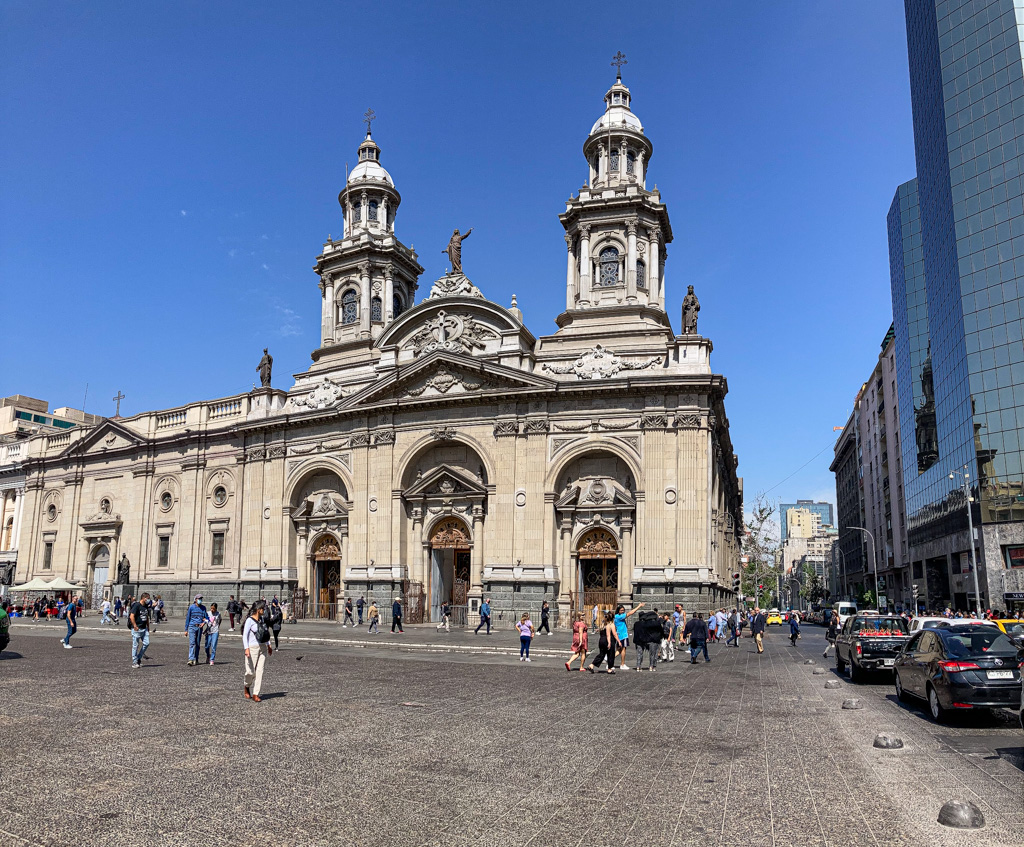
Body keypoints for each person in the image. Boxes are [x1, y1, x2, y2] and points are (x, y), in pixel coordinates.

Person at [243, 601, 272, 702]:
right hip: (252, 648)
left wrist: (269, 645)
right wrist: (246, 648)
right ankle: (246, 686)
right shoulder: (249, 621)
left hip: (262, 647)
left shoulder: (262, 619)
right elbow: (244, 635)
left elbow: (265, 632)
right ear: (258, 609)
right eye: (263, 608)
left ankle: (256, 693)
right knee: (250, 672)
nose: (264, 610)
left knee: (260, 671)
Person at [613, 602, 644, 670]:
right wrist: (639, 606)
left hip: (621, 634)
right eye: (621, 610)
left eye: (623, 610)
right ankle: (622, 664)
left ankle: (609, 659)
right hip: (622, 635)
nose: (623, 612)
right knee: (623, 649)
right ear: (618, 610)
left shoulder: (616, 616)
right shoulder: (619, 616)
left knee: (619, 650)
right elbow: (630, 613)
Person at [129, 593, 152, 668]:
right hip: (137, 628)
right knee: (135, 645)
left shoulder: (145, 606)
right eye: (148, 598)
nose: (149, 600)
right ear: (144, 598)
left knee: (146, 643)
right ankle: (134, 661)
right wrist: (135, 626)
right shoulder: (137, 605)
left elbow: (147, 617)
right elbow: (131, 616)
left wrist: (148, 626)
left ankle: (139, 657)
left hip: (144, 628)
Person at [185, 595, 207, 666]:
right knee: (192, 643)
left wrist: (204, 623)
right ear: (195, 599)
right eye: (199, 599)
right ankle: (191, 659)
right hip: (192, 626)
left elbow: (207, 618)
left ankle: (196, 658)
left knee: (197, 644)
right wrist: (186, 629)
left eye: (201, 599)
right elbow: (188, 618)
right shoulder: (191, 607)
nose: (200, 600)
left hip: (199, 627)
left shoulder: (203, 608)